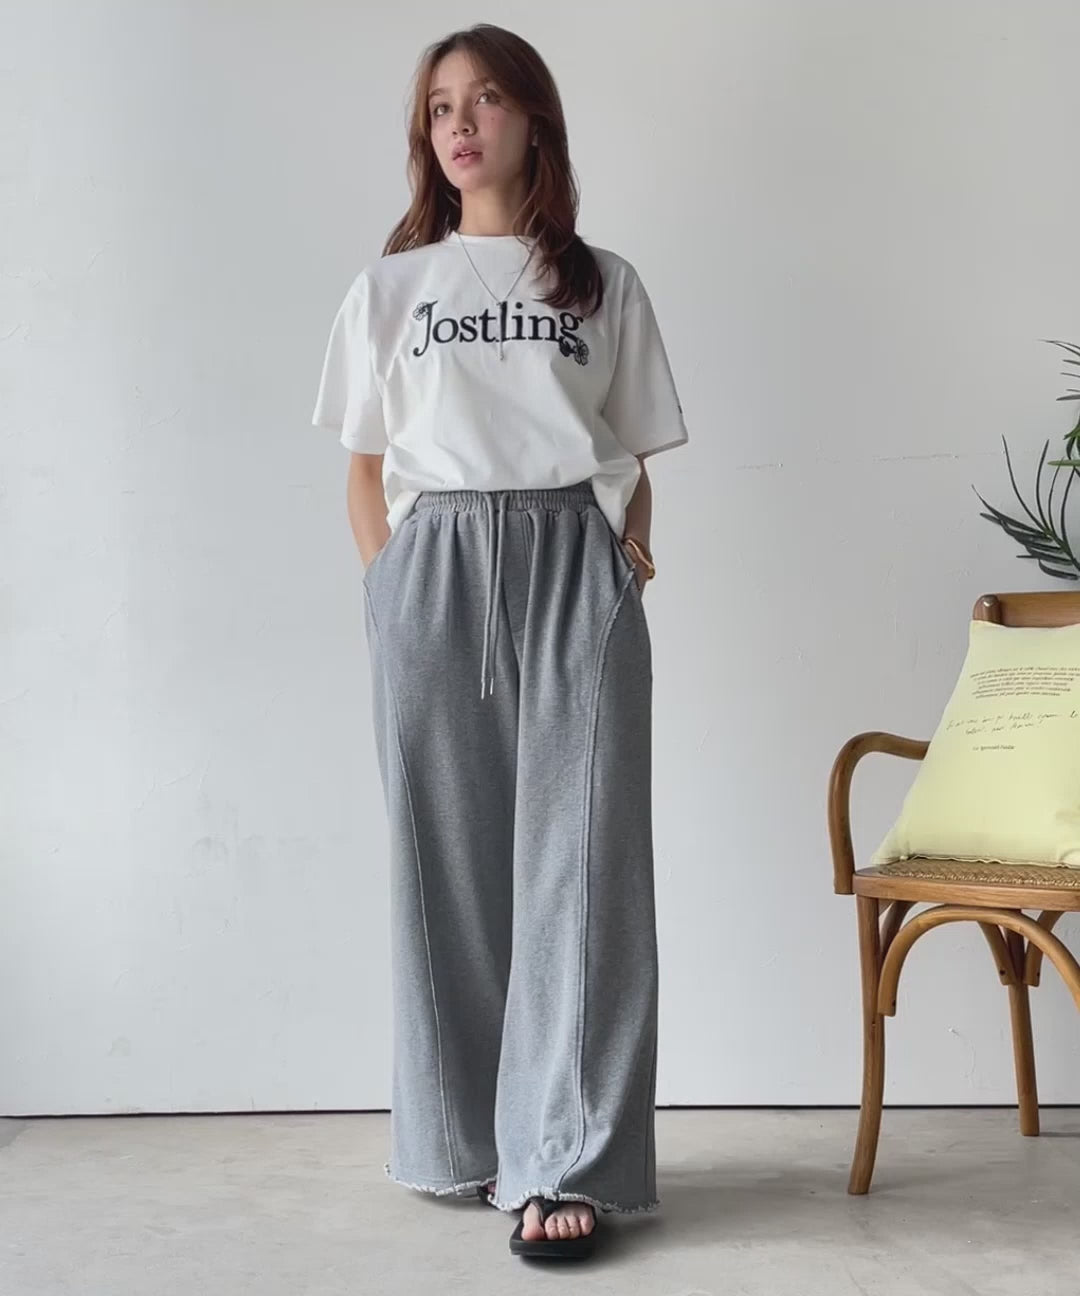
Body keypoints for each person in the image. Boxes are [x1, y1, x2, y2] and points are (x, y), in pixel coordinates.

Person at [311, 22, 689, 1262]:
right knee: (447, 859)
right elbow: (363, 466)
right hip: (433, 562)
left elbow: (635, 448)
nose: (460, 125)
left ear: (535, 119)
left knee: (584, 860)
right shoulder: (391, 289)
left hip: (574, 557)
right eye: (439, 108)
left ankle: (562, 1158)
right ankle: (465, 1138)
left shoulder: (602, 282)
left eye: (483, 101)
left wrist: (630, 552)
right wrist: (387, 583)